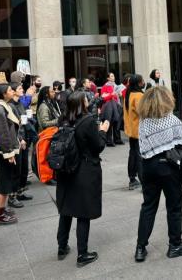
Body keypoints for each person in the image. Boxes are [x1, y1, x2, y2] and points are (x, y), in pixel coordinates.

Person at [135, 86, 182, 262]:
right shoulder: (170, 119)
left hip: (148, 166)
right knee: (174, 206)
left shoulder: (144, 121)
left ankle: (140, 248)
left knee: (148, 206)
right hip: (168, 166)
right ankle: (175, 245)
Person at [56, 91, 110, 267]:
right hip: (84, 169)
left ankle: (62, 246)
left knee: (66, 209)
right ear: (81, 103)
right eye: (86, 99)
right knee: (82, 212)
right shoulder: (87, 121)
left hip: (65, 169)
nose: (88, 101)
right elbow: (98, 146)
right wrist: (103, 131)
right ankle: (83, 253)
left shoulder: (63, 119)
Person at [0, 83, 20, 225]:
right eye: (10, 90)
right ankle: (0, 215)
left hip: (5, 150)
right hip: (3, 152)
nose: (12, 92)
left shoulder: (2, 106)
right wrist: (9, 153)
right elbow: (3, 133)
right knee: (5, 182)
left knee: (5, 180)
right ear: (3, 94)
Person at [7, 83, 33, 209]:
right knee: (16, 170)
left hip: (24, 137)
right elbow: (13, 126)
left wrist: (29, 117)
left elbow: (23, 120)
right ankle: (12, 197)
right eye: (20, 89)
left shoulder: (20, 103)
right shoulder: (10, 105)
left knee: (23, 168)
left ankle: (20, 191)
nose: (22, 90)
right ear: (13, 91)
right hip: (17, 140)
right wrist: (20, 139)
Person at [123, 74, 144, 190]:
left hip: (131, 129)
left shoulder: (128, 93)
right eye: (142, 81)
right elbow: (143, 112)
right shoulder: (138, 95)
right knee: (139, 155)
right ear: (139, 83)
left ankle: (132, 178)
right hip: (138, 130)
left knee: (133, 153)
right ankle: (143, 180)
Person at [100, 72, 123, 146]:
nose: (113, 77)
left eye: (113, 76)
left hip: (116, 105)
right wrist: (111, 95)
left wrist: (119, 94)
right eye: (112, 76)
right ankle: (109, 141)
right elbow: (103, 98)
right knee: (109, 123)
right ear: (108, 78)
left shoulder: (116, 86)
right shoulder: (105, 86)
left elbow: (117, 97)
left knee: (117, 122)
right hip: (108, 106)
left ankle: (117, 139)